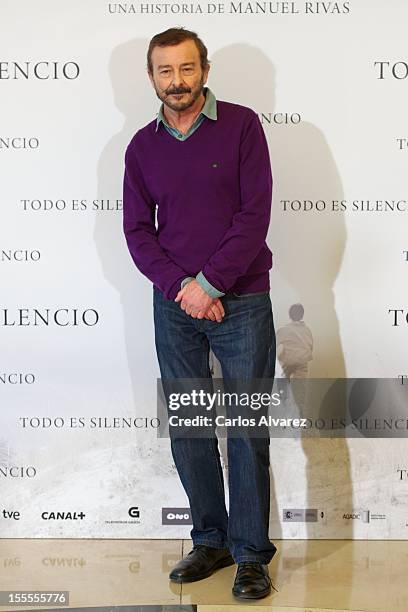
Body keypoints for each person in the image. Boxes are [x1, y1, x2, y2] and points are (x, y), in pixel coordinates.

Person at [123, 26, 277, 600]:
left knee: (245, 429)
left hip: (243, 302)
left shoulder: (241, 126)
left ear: (204, 71)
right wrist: (183, 287)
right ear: (152, 78)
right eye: (166, 71)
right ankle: (210, 540)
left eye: (187, 69)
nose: (177, 81)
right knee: (189, 428)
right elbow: (138, 232)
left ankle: (251, 554)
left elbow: (254, 214)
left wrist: (210, 283)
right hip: (175, 307)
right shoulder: (142, 147)